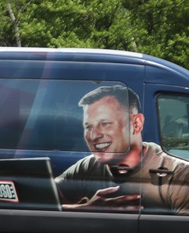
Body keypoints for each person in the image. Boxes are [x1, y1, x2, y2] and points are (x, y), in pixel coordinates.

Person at [55, 85, 189, 214]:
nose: (93, 136)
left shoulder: (179, 174)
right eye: (88, 126)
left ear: (136, 124)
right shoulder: (88, 166)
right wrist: (85, 210)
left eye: (105, 124)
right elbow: (40, 204)